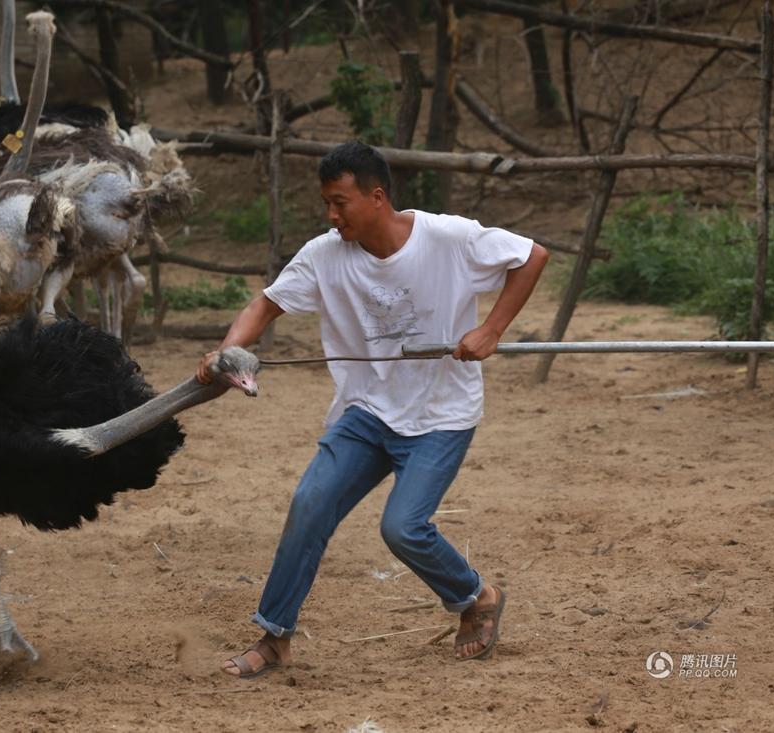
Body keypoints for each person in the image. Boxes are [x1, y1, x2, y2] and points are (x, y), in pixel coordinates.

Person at [197, 141, 549, 677]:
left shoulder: (449, 238)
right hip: (365, 411)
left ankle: (475, 597)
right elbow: (264, 305)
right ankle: (273, 638)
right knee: (310, 504)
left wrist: (490, 329)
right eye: (327, 205)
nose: (331, 216)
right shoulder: (323, 255)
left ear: (377, 197)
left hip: (440, 412)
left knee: (403, 528)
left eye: (340, 203)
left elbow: (531, 256)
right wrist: (228, 353)